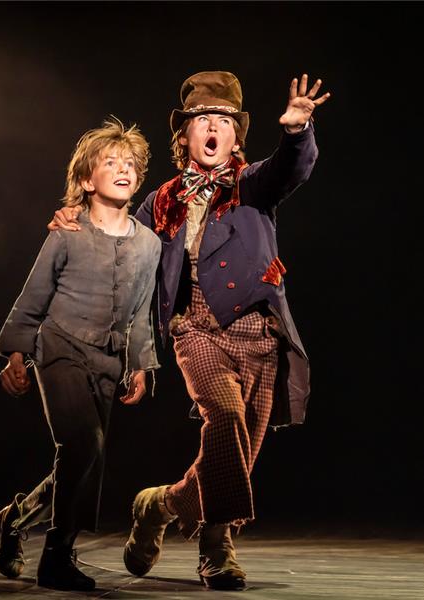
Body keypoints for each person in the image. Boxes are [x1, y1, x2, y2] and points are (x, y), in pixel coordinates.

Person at [49, 71, 330, 590]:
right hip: (195, 327)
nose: (213, 127)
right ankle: (216, 548)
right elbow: (120, 243)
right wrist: (76, 220)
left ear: (236, 136)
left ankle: (159, 505)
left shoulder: (252, 184)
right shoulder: (161, 200)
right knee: (224, 416)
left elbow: (292, 168)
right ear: (185, 134)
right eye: (203, 119)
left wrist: (296, 132)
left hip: (257, 331)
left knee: (237, 452)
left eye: (223, 119)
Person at [0, 117, 161, 591]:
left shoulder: (149, 244)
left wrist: (141, 364)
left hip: (109, 360)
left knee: (87, 459)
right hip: (60, 345)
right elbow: (33, 296)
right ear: (86, 180)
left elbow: (142, 311)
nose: (123, 169)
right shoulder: (66, 233)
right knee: (82, 444)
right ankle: (57, 557)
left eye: (130, 164)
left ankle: (16, 516)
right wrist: (15, 355)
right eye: (110, 162)